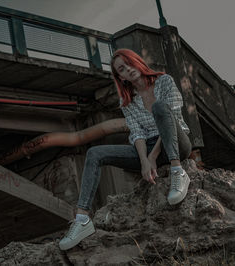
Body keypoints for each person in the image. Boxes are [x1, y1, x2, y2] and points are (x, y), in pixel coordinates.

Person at [59, 48, 192, 250]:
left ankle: (178, 172)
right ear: (120, 77)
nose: (128, 69)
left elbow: (171, 117)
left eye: (129, 63)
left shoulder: (164, 81)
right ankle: (82, 219)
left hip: (175, 142)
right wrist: (144, 160)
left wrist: (153, 156)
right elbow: (137, 134)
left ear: (138, 62)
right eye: (122, 68)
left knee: (159, 108)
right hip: (147, 148)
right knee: (94, 153)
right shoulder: (127, 101)